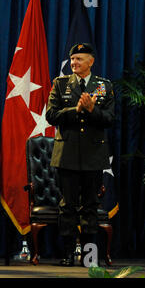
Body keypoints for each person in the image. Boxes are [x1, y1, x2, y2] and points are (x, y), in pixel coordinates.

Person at [46, 43, 115, 267]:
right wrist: (75, 110)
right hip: (66, 153)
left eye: (79, 59)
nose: (74, 63)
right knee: (67, 206)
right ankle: (67, 254)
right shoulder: (60, 83)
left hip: (94, 155)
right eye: (73, 59)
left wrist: (92, 110)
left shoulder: (103, 86)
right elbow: (51, 115)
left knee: (90, 206)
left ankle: (89, 256)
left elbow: (110, 119)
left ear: (91, 61)